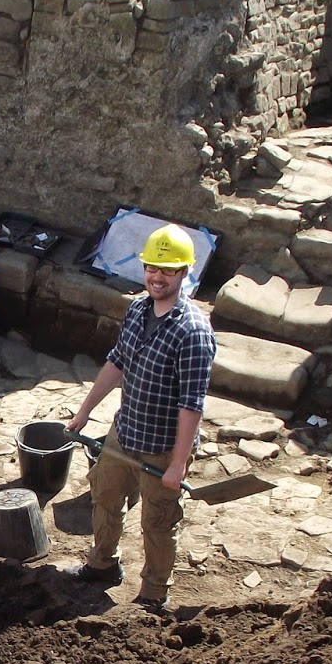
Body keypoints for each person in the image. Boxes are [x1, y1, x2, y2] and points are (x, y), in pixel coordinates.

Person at [67, 224, 217, 612]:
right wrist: (84, 413)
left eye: (168, 270)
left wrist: (179, 464)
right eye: (152, 267)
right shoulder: (137, 309)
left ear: (185, 272)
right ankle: (102, 564)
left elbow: (191, 405)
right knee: (104, 496)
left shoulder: (194, 332)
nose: (157, 276)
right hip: (126, 430)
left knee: (158, 521)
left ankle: (153, 592)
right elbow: (117, 362)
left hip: (163, 448)